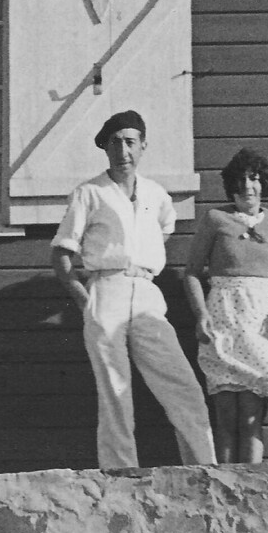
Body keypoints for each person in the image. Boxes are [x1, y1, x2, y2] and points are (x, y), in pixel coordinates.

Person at [50, 110, 217, 470]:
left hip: (145, 292)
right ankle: (121, 473)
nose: (123, 150)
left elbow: (163, 231)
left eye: (130, 142)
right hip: (105, 289)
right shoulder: (89, 193)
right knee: (115, 389)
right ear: (105, 148)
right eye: (115, 142)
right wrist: (85, 299)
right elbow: (62, 254)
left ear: (143, 146)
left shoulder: (156, 194)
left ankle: (203, 469)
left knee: (182, 384)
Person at [183, 148, 268, 464]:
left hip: (258, 318)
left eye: (255, 179)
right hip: (222, 316)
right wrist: (201, 315)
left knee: (251, 415)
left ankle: (252, 487)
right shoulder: (216, 219)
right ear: (232, 184)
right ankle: (224, 485)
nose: (248, 187)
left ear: (264, 184)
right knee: (226, 414)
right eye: (242, 179)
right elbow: (191, 272)